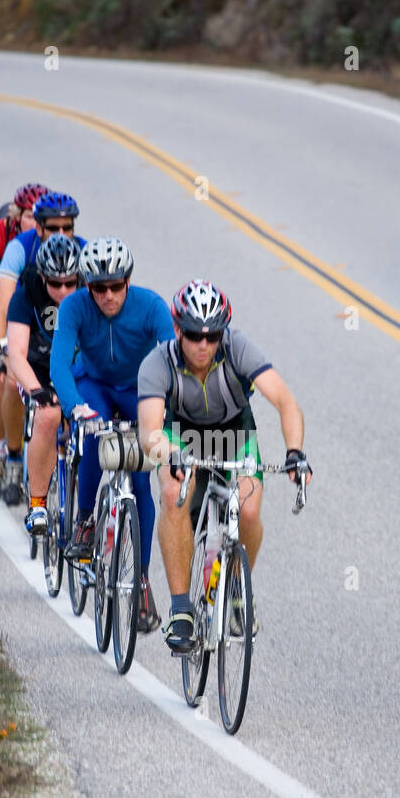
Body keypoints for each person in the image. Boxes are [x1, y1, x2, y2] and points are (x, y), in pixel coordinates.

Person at [136, 279, 311, 653]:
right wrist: (171, 453)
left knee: (248, 509)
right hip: (180, 436)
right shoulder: (158, 362)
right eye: (195, 336)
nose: (204, 345)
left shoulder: (238, 348)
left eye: (213, 336)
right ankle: (181, 609)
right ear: (177, 328)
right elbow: (150, 430)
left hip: (234, 432)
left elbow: (284, 400)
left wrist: (295, 451)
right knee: (172, 494)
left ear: (223, 332)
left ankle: (233, 588)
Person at [49, 237, 174, 633]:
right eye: (98, 288)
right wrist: (75, 408)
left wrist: (166, 416)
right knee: (94, 440)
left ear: (128, 281)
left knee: (141, 480)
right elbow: (59, 366)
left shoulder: (151, 306)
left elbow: (173, 361)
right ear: (87, 286)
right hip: (96, 387)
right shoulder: (73, 307)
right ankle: (85, 521)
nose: (107, 296)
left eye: (115, 286)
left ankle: (140, 581)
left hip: (140, 389)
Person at [0, 192, 86, 506]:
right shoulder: (21, 248)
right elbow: (4, 305)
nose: (61, 234)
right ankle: (15, 460)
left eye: (67, 227)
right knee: (11, 380)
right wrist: (0, 352)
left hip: (68, 347)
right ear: (40, 228)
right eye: (54, 227)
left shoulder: (83, 253)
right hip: (31, 336)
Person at [5, 234, 83, 534]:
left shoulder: (89, 296)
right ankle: (37, 504)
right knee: (49, 414)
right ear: (41, 276)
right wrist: (37, 391)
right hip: (36, 370)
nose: (63, 291)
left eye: (70, 283)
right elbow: (16, 354)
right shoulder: (26, 296)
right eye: (55, 283)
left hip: (73, 370)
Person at [0, 183, 47, 491]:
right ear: (17, 216)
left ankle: (29, 457)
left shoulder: (50, 238)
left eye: (40, 216)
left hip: (35, 316)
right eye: (31, 216)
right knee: (0, 378)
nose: (36, 223)